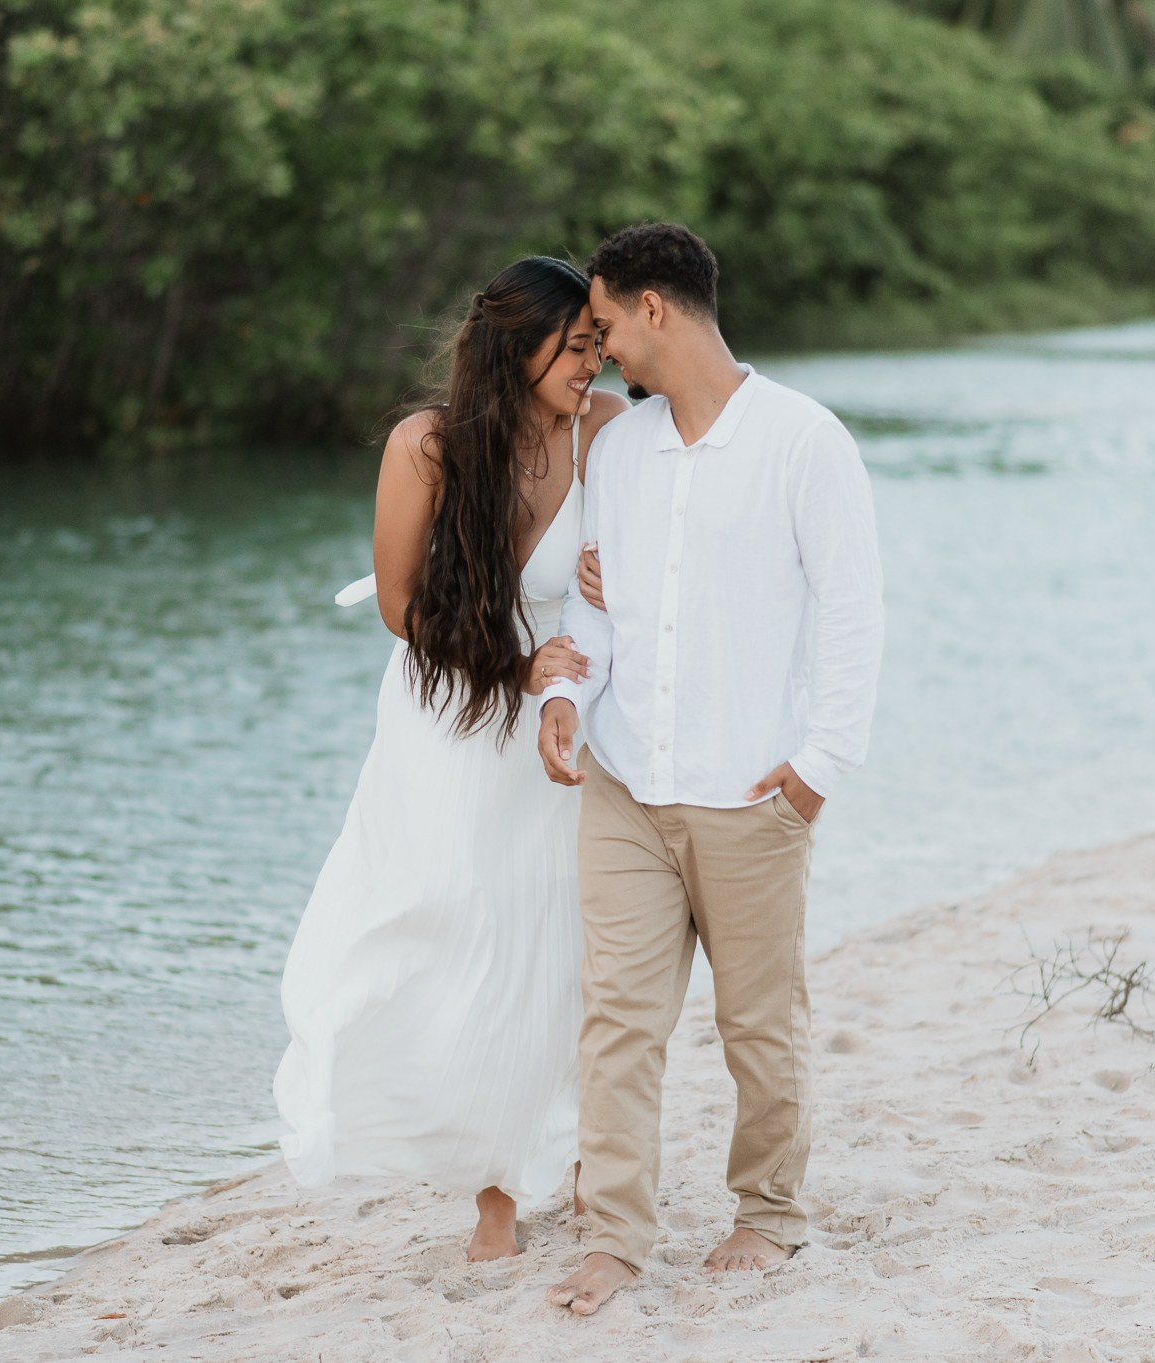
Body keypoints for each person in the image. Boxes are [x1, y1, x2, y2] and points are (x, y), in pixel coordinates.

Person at [537, 222, 884, 1314]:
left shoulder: (801, 438)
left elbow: (852, 609)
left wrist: (818, 764)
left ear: (655, 309)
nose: (600, 352)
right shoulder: (621, 450)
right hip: (626, 784)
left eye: (604, 325)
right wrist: (562, 693)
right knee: (618, 1019)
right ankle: (616, 1237)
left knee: (756, 1019)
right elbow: (595, 608)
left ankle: (768, 1213)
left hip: (748, 790)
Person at [275, 256, 632, 1261]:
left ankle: (510, 1193)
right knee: (449, 925)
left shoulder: (603, 430)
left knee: (551, 940)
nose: (592, 363)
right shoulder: (424, 444)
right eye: (573, 347)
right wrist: (511, 666)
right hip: (454, 705)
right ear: (516, 348)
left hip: (564, 705)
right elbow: (400, 606)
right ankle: (446, 1139)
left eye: (598, 344)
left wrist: (624, 575)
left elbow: (683, 503)